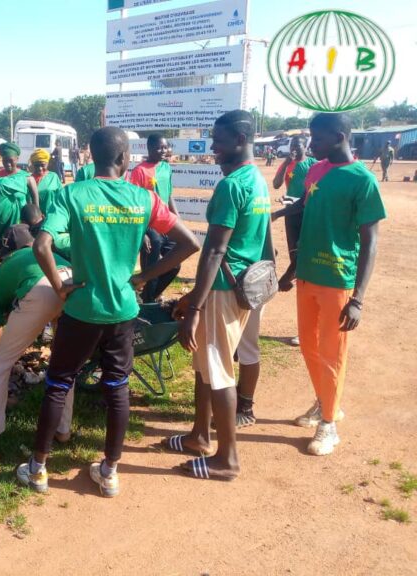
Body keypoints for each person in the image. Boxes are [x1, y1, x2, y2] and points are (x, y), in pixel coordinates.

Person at [16, 127, 200, 497]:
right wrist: (143, 276)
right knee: (116, 387)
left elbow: (41, 245)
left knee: (59, 383)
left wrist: (59, 286)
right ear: (124, 159)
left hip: (82, 308)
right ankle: (110, 471)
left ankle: (37, 468)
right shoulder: (143, 198)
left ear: (93, 156)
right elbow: (190, 243)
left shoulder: (72, 193)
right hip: (122, 310)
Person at [275, 112, 386, 455]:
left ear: (339, 135)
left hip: (337, 279)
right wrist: (273, 217)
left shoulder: (362, 180)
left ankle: (329, 425)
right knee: (309, 347)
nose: (311, 144)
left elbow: (370, 241)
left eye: (317, 137)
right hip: (308, 274)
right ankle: (326, 402)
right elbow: (306, 210)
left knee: (332, 353)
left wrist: (358, 299)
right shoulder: (316, 170)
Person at [168, 110, 270, 481]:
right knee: (204, 366)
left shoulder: (231, 186)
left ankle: (227, 460)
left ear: (240, 140)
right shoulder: (256, 180)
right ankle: (199, 435)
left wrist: (194, 305)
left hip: (224, 291)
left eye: (219, 140)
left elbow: (213, 251)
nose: (213, 147)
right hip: (240, 287)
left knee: (219, 370)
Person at [0, 228, 74, 462]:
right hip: (72, 282)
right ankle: (63, 430)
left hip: (43, 288)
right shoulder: (22, 258)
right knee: (65, 363)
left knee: (0, 364)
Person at [272, 135, 317, 346]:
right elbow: (276, 184)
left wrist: (279, 212)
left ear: (305, 146)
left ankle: (285, 280)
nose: (294, 149)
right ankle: (288, 277)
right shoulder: (289, 164)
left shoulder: (313, 165)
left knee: (301, 259)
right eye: (292, 146)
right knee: (295, 256)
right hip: (290, 213)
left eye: (298, 146)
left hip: (305, 214)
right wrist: (284, 163)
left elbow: (308, 198)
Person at [130, 134, 180, 303]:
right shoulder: (140, 171)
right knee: (151, 267)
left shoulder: (166, 167)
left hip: (166, 221)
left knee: (175, 264)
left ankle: (148, 297)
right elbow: (134, 203)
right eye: (159, 147)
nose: (163, 151)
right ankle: (148, 304)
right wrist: (142, 233)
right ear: (149, 148)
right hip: (149, 223)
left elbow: (169, 194)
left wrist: (177, 217)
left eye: (165, 147)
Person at [0, 142, 39, 242]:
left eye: (11, 160)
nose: (8, 164)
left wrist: (35, 225)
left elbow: (36, 206)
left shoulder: (27, 178)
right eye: (5, 160)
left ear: (17, 159)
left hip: (21, 227)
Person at [28, 148, 63, 215]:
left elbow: (61, 197)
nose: (40, 168)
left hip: (51, 216)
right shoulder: (28, 179)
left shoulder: (53, 177)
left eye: (43, 165)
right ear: (32, 164)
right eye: (37, 165)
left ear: (47, 164)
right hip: (32, 218)